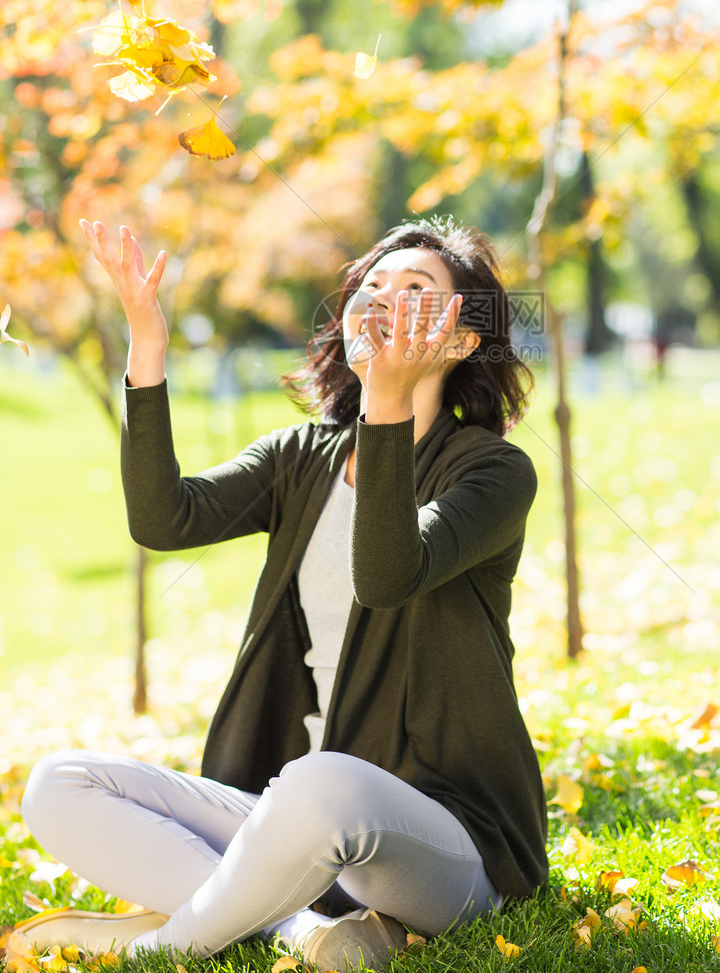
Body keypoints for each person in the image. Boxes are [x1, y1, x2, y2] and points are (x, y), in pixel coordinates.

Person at [14, 215, 548, 973]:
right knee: (60, 783)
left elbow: (390, 575)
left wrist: (389, 406)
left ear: (462, 340)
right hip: (296, 826)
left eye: (418, 288)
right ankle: (304, 934)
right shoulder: (303, 457)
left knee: (319, 783)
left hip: (445, 842)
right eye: (374, 286)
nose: (386, 298)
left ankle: (168, 945)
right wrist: (147, 347)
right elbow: (166, 520)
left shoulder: (493, 473)